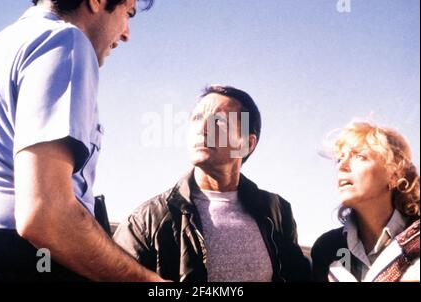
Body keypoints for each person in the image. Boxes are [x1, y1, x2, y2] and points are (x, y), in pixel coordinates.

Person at [0, 0, 164, 281]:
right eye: (128, 13)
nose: (126, 33)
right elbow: (46, 215)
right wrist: (150, 282)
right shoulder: (66, 40)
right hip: (29, 270)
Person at [113, 85, 311, 282]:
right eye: (197, 118)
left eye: (219, 121)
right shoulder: (147, 220)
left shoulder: (276, 211)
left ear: (247, 144)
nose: (203, 128)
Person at [311, 121, 420, 282]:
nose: (342, 166)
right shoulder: (326, 249)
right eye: (340, 159)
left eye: (359, 156)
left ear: (394, 175)